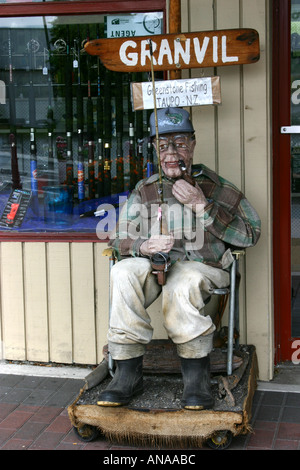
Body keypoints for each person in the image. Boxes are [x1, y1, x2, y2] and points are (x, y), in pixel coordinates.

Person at [97, 107, 261, 410]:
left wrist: (203, 205)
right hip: (156, 265)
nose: (171, 153)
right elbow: (118, 237)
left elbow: (250, 234)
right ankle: (128, 375)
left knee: (183, 281)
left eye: (180, 144)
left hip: (205, 267)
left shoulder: (217, 187)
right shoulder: (145, 190)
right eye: (163, 146)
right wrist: (144, 245)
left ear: (194, 145)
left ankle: (196, 381)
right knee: (123, 272)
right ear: (155, 150)